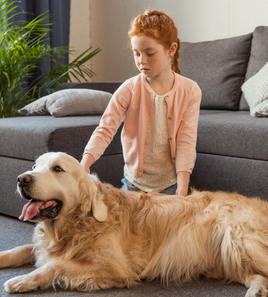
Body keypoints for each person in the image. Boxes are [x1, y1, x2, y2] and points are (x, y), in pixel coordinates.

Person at [80, 10, 201, 196]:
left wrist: (182, 188)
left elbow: (186, 141)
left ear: (171, 49)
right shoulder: (128, 89)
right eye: (136, 53)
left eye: (149, 53)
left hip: (171, 185)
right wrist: (84, 165)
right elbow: (105, 129)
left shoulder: (190, 90)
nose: (141, 61)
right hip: (134, 184)